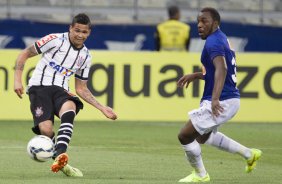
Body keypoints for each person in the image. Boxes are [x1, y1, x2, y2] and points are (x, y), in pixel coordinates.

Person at [14, 13, 117, 177]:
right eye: (77, 30)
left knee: (70, 108)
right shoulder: (54, 40)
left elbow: (81, 88)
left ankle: (61, 153)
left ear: (89, 33)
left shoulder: (86, 56)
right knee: (46, 131)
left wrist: (102, 108)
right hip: (39, 88)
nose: (80, 35)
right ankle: (60, 160)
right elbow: (25, 53)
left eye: (84, 32)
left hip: (61, 90)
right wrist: (17, 80)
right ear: (70, 28)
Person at [176, 7, 262, 182]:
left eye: (204, 21)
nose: (199, 25)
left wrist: (215, 99)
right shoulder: (221, 38)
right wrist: (197, 75)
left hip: (222, 99)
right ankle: (249, 154)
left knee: (185, 135)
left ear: (215, 23)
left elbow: (222, 68)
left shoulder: (213, 42)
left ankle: (201, 175)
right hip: (227, 98)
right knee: (202, 136)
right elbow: (218, 70)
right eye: (198, 22)